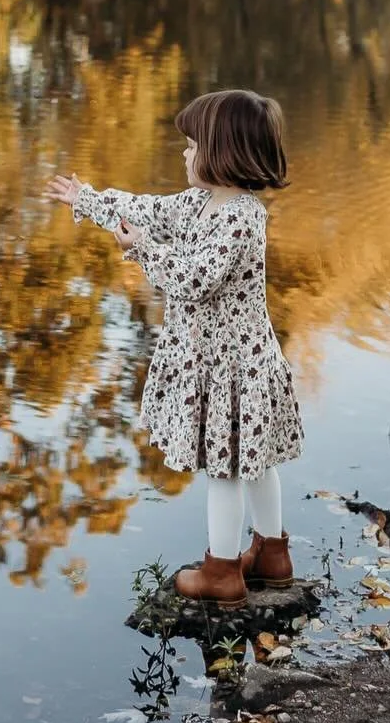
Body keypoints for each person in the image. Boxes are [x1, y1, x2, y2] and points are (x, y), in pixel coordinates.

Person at [46, 89, 303, 604]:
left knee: (228, 467)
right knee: (252, 460)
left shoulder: (241, 217)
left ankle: (222, 572)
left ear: (222, 152)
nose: (184, 155)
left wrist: (141, 248)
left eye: (192, 145)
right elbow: (147, 209)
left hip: (234, 368)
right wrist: (90, 200)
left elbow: (193, 278)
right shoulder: (200, 203)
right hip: (225, 362)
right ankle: (272, 554)